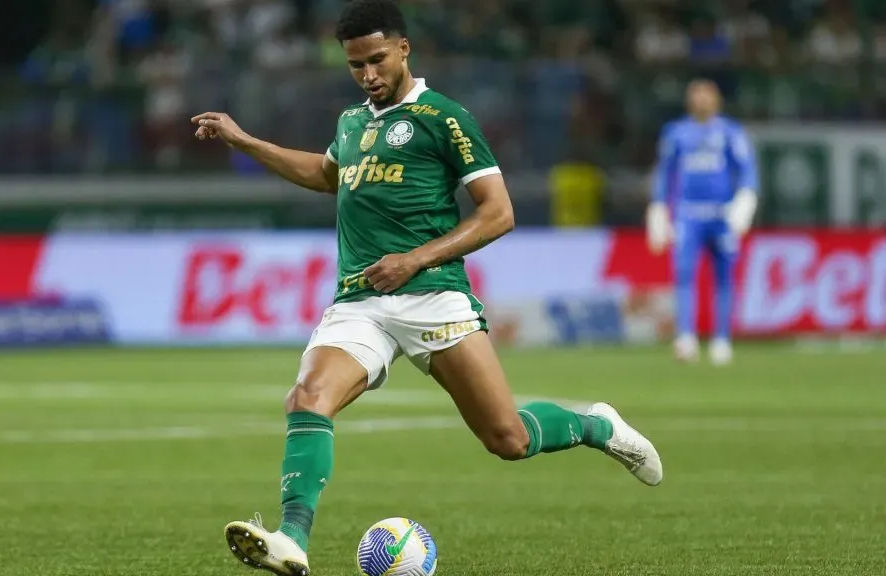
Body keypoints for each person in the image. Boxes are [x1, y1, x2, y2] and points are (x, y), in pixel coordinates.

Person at [192, 2, 663, 574]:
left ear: (404, 49)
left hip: (432, 293)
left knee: (507, 438)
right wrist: (243, 140)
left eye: (376, 60)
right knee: (307, 399)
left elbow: (498, 214)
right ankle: (291, 537)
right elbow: (326, 174)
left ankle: (597, 425)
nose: (367, 74)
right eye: (355, 65)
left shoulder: (445, 117)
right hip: (360, 300)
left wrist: (413, 260)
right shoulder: (352, 122)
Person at [646, 79, 759, 366]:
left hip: (722, 215)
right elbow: (664, 173)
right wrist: (659, 208)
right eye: (695, 96)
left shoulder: (731, 132)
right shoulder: (676, 133)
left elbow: (747, 170)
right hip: (689, 214)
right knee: (684, 275)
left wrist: (744, 201)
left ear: (716, 99)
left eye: (706, 96)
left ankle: (722, 339)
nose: (701, 101)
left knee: (725, 278)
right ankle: (686, 338)